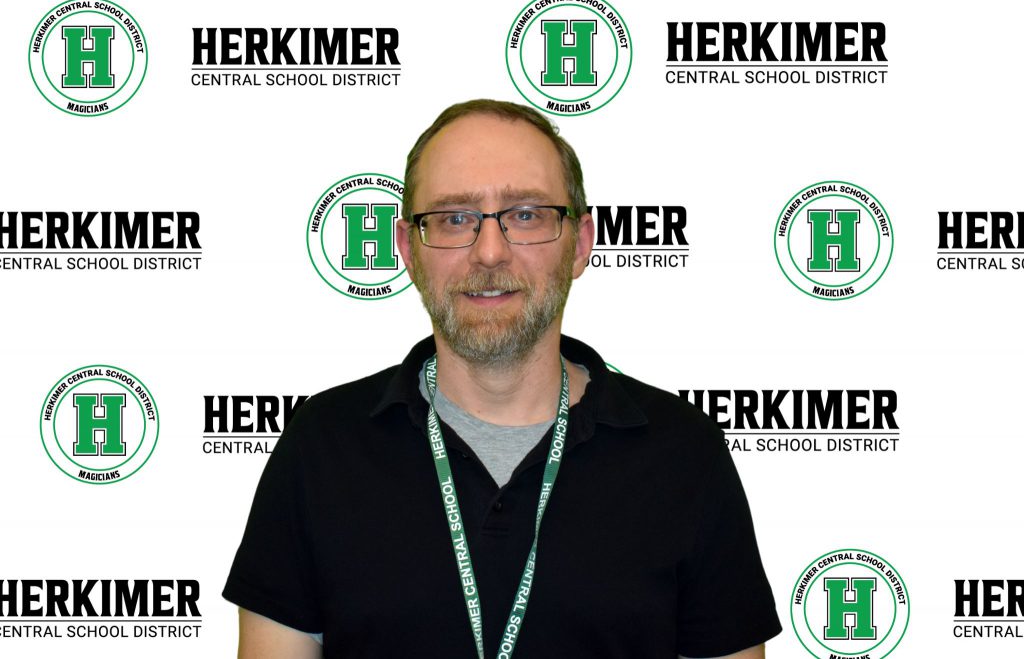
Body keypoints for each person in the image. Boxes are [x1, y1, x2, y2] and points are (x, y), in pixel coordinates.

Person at [223, 99, 781, 658]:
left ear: (581, 243)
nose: (489, 252)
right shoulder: (322, 446)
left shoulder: (683, 454)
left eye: (526, 215)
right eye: (453, 219)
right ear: (409, 250)